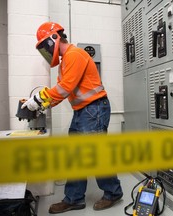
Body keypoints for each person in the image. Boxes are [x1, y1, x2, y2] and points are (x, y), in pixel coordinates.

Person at [21, 22, 123, 214]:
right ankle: (74, 199)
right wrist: (41, 102)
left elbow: (64, 88)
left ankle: (113, 193)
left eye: (45, 46)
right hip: (84, 111)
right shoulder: (66, 60)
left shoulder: (74, 55)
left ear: (54, 39)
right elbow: (61, 92)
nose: (46, 51)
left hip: (94, 109)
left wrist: (40, 99)